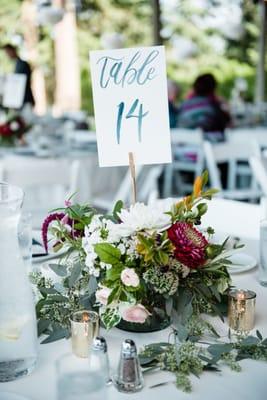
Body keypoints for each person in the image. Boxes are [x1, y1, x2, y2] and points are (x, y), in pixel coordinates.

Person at [177, 73, 230, 142]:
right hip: (211, 144)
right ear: (213, 88)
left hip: (186, 143)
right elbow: (227, 125)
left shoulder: (184, 105)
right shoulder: (213, 105)